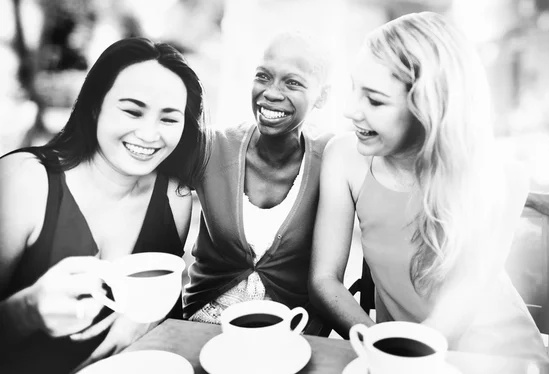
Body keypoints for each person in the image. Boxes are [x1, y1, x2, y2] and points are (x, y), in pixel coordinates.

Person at [308, 12, 549, 360]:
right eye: (354, 88)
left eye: (375, 100)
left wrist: (400, 359)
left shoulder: (501, 176)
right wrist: (376, 347)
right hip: (400, 355)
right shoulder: (344, 157)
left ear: (427, 108)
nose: (350, 110)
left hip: (498, 358)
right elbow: (323, 280)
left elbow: (460, 305)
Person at [0, 37, 210, 373]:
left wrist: (150, 316)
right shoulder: (25, 181)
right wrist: (25, 311)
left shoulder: (175, 197)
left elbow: (164, 300)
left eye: (168, 119)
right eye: (132, 110)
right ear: (95, 105)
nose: (149, 134)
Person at [182, 31, 332, 325]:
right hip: (205, 320)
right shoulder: (212, 148)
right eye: (263, 76)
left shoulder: (330, 162)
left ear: (322, 96)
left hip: (290, 329)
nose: (272, 93)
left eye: (292, 82)